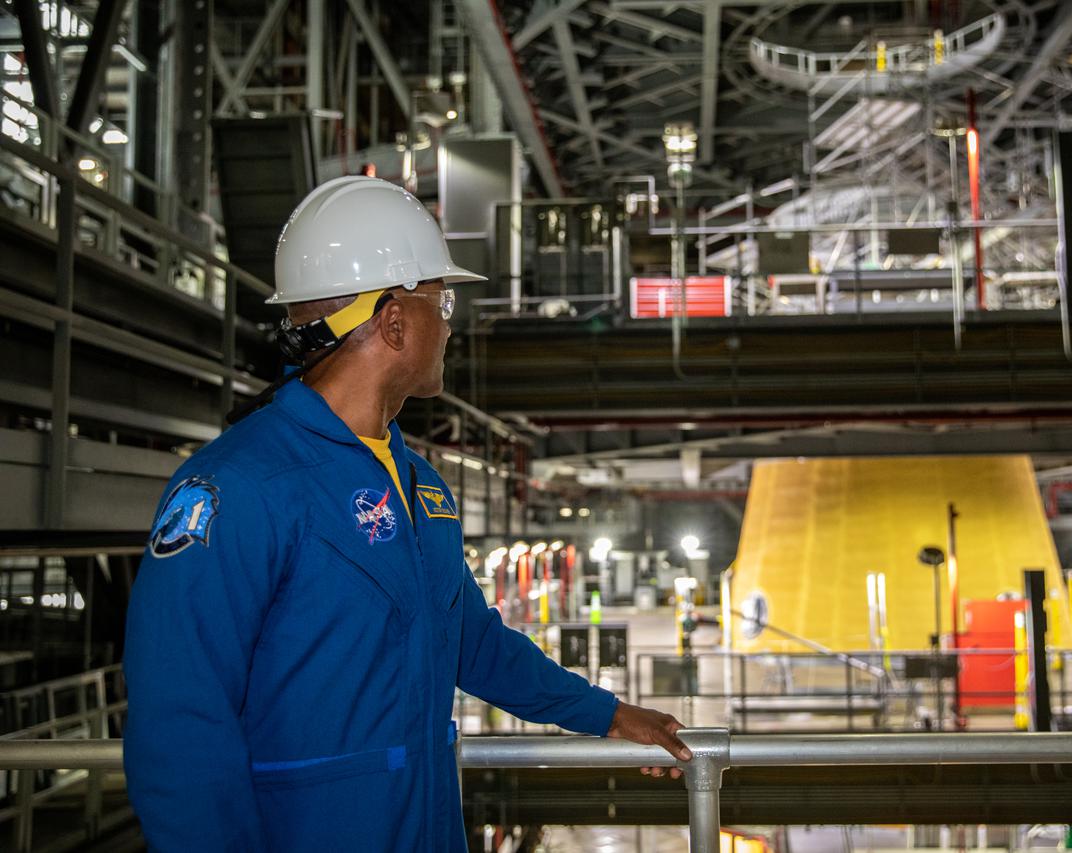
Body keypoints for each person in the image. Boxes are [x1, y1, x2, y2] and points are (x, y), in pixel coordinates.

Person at [123, 176, 689, 851]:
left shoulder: (420, 487)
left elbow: (472, 642)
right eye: (441, 301)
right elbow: (178, 724)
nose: (450, 322)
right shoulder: (237, 487)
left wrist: (607, 713)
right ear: (394, 320)